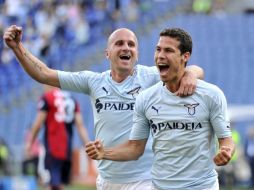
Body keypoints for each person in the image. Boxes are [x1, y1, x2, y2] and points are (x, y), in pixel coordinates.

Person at [3, 25, 204, 190]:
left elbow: (194, 69)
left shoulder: (150, 76)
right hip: (107, 179)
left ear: (137, 54)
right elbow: (44, 74)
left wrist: (190, 75)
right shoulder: (94, 82)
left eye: (131, 44)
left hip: (144, 179)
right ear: (107, 53)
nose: (126, 47)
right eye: (119, 43)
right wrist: (17, 48)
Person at [85, 28, 235, 190]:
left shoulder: (211, 95)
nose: (160, 55)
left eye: (168, 50)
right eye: (158, 49)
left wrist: (226, 151)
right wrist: (104, 154)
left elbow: (226, 140)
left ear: (185, 57)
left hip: (202, 186)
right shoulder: (145, 98)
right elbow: (135, 148)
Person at [26, 85, 90, 190]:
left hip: (53, 146)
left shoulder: (47, 97)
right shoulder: (71, 98)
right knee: (58, 183)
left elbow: (38, 124)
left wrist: (30, 142)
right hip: (67, 148)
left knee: (53, 184)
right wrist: (87, 145)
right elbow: (80, 125)